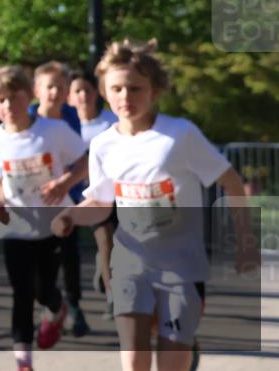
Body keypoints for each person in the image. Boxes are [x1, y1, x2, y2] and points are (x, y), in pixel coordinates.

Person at [51, 39, 260, 371]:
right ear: (104, 90)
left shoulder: (179, 135)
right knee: (134, 360)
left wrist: (246, 241)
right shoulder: (104, 144)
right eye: (117, 88)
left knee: (170, 363)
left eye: (135, 89)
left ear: (155, 90)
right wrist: (71, 215)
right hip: (131, 262)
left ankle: (182, 343)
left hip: (182, 266)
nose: (125, 97)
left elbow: (231, 181)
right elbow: (102, 203)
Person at [0, 65, 88, 371]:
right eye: (0, 100)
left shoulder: (52, 131)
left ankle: (56, 309)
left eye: (14, 98)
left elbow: (84, 162)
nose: (8, 106)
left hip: (55, 223)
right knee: (22, 292)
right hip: (15, 227)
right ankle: (23, 359)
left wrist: (64, 184)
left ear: (28, 96)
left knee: (45, 289)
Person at [31, 60, 90, 336]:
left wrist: (66, 181)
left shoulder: (70, 116)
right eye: (49, 86)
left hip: (68, 196)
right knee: (39, 261)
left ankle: (75, 307)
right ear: (37, 89)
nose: (54, 92)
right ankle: (51, 302)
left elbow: (76, 156)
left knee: (69, 254)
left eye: (60, 87)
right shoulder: (28, 115)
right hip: (34, 199)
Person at [68, 70, 119, 318]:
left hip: (102, 194)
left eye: (87, 90)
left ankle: (112, 296)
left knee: (107, 239)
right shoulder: (66, 125)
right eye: (77, 91)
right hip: (71, 193)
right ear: (69, 96)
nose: (83, 96)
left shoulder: (110, 121)